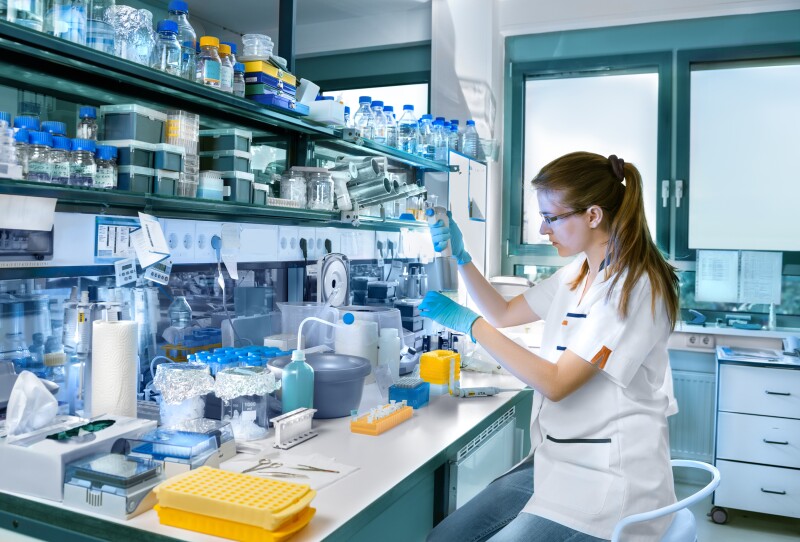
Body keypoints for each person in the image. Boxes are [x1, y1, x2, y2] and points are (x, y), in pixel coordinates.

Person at [422, 152, 680, 542]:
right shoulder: (578, 272)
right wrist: (462, 257)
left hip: (609, 478)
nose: (543, 229)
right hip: (556, 462)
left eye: (551, 217)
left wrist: (469, 325)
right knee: (443, 538)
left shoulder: (636, 286)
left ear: (593, 216)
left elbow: (557, 383)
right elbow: (504, 313)